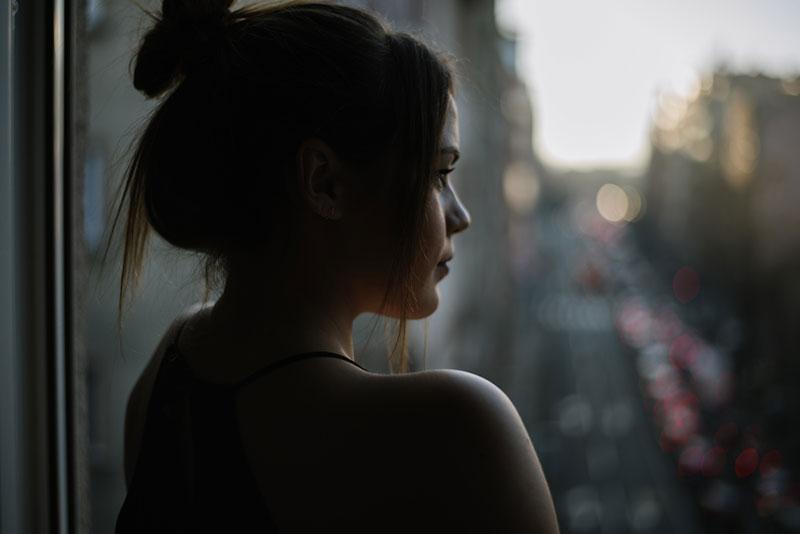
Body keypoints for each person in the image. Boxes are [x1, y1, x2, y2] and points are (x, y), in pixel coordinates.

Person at [112, 1, 560, 532]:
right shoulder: (459, 430)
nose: (459, 216)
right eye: (438, 176)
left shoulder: (170, 372)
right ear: (324, 183)